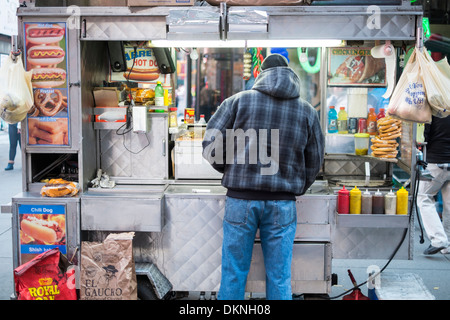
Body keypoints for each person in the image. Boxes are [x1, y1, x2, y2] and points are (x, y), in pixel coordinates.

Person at [202, 54, 325, 300]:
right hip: (283, 203)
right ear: (288, 73)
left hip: (241, 200)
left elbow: (210, 145)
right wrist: (297, 186)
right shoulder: (307, 111)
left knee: (233, 274)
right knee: (279, 276)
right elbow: (316, 160)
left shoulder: (237, 102)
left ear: (261, 72)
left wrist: (228, 168)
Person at [417, 115, 450, 255]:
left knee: (424, 197)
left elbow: (423, 137)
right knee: (449, 203)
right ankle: (447, 243)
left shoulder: (435, 110)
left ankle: (438, 240)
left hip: (436, 161)